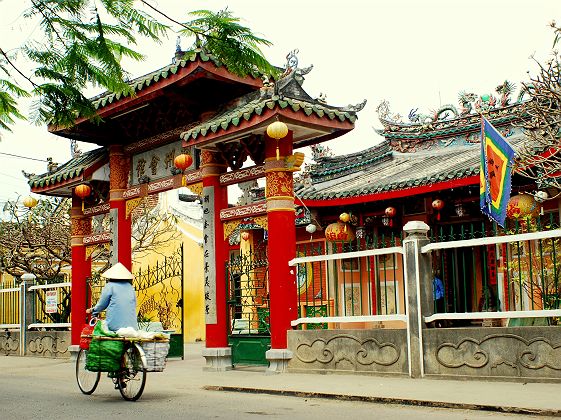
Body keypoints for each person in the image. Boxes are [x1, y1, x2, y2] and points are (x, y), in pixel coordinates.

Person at [86, 262, 138, 331]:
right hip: (132, 327)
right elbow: (134, 304)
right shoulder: (130, 287)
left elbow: (102, 305)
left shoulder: (110, 286)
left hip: (114, 327)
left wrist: (93, 311)